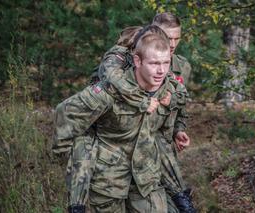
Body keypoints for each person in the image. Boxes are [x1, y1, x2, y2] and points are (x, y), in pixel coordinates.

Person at [54, 33, 182, 213]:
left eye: (166, 63)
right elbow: (65, 112)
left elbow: (164, 128)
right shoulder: (110, 91)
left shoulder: (168, 90)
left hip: (146, 179)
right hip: (108, 182)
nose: (161, 70)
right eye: (154, 63)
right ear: (137, 61)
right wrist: (70, 158)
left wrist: (177, 132)